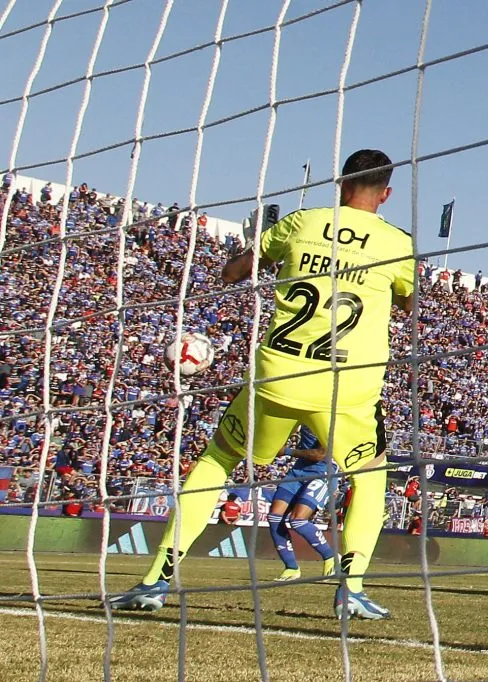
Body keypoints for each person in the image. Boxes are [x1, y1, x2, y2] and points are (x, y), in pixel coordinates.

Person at [111, 149, 415, 621]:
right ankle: (350, 589)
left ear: (341, 185)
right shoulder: (397, 242)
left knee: (217, 460)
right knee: (371, 475)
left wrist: (253, 265)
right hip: (346, 388)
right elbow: (410, 304)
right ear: (387, 193)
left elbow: (236, 270)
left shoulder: (301, 222)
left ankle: (155, 580)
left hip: (277, 376)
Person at [267, 425, 338, 582]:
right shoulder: (302, 413)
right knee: (274, 517)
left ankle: (331, 558)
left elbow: (321, 454)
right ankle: (291, 568)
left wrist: (286, 451)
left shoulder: (330, 418)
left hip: (323, 472)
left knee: (297, 520)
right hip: (298, 471)